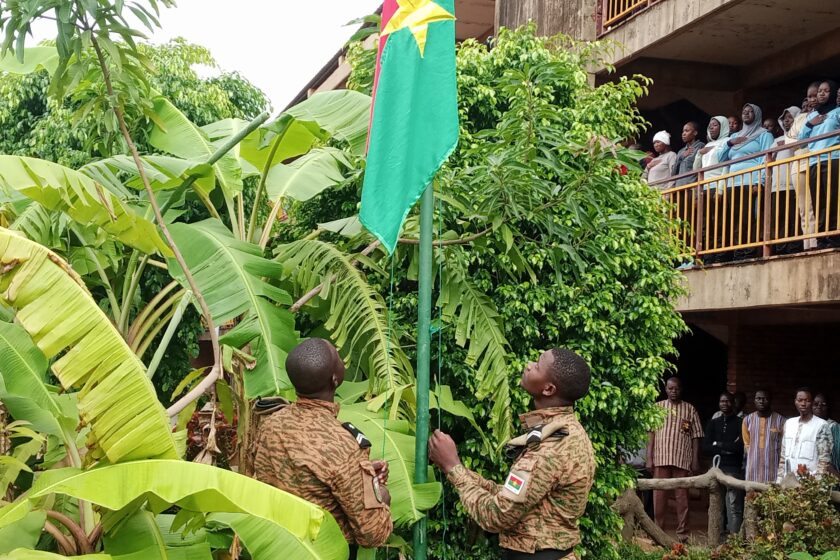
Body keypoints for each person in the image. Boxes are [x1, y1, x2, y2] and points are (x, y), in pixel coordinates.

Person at [428, 348, 595, 560]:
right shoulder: (565, 430)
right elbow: (514, 495)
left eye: (537, 365)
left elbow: (496, 516)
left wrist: (452, 467)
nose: (528, 366)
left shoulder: (549, 449)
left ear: (549, 389)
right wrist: (457, 467)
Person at [252, 338, 393, 551]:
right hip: (323, 551)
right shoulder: (343, 445)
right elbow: (373, 535)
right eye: (338, 357)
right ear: (334, 379)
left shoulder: (270, 423)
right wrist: (380, 492)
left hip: (278, 546)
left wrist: (358, 473)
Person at [647, 377, 703, 542]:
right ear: (665, 389)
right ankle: (658, 532)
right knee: (659, 497)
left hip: (682, 458)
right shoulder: (657, 407)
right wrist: (649, 458)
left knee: (682, 497)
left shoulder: (689, 409)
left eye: (676, 388)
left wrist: (695, 460)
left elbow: (696, 436)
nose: (673, 391)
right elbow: (650, 433)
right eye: (670, 388)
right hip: (661, 457)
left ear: (681, 389)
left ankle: (683, 534)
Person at [717, 104, 775, 260]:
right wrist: (730, 143)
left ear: (757, 114)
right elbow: (721, 159)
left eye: (750, 111)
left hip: (750, 180)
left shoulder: (764, 134)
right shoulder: (735, 136)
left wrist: (760, 181)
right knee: (735, 218)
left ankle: (749, 251)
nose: (746, 113)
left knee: (749, 217)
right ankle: (738, 251)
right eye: (744, 111)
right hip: (732, 183)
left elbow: (767, 159)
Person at [798, 80, 840, 248]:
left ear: (833, 93)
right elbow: (801, 142)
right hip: (814, 161)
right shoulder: (811, 116)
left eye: (826, 91)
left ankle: (834, 236)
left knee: (833, 198)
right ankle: (822, 237)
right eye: (820, 91)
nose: (821, 94)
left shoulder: (837, 112)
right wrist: (810, 124)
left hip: (833, 158)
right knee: (818, 201)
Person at [703, 392, 744, 541]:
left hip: (733, 469)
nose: (724, 404)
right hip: (716, 467)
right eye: (722, 401)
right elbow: (706, 448)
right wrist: (727, 447)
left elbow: (739, 448)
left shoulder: (740, 423)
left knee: (733, 506)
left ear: (733, 403)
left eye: (727, 401)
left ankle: (734, 540)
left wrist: (718, 444)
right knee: (716, 504)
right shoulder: (713, 423)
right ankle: (716, 539)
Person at [787, 84, 822, 250]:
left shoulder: (825, 113)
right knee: (803, 208)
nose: (812, 100)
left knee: (817, 204)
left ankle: (817, 242)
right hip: (798, 163)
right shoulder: (800, 118)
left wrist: (802, 140)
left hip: (816, 160)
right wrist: (804, 138)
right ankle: (808, 245)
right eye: (809, 96)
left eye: (815, 96)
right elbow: (790, 142)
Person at [693, 116, 731, 263]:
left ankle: (720, 253)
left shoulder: (726, 142)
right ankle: (707, 254)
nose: (711, 127)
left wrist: (720, 189)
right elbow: (696, 169)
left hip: (717, 187)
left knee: (718, 222)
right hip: (705, 187)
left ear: (723, 127)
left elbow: (725, 166)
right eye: (710, 125)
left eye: (715, 125)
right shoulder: (708, 145)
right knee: (705, 223)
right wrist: (699, 154)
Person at [776, 387, 832, 482]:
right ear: (795, 402)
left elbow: (824, 460)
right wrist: (779, 481)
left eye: (807, 400)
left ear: (812, 403)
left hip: (809, 483)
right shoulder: (789, 423)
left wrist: (817, 484)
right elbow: (783, 458)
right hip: (787, 482)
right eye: (800, 400)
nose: (803, 403)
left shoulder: (821, 425)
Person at [771, 106, 804, 253]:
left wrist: (788, 143)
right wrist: (776, 150)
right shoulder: (777, 140)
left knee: (793, 216)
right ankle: (780, 247)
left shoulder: (799, 137)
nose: (786, 121)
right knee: (779, 217)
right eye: (784, 118)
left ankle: (794, 247)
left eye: (790, 117)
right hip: (777, 185)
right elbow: (767, 160)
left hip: (793, 183)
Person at [742, 389, 786, 484]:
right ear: (754, 400)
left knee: (772, 493)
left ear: (770, 400)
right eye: (758, 398)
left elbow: (784, 446)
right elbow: (747, 445)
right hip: (753, 470)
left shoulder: (781, 421)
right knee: (751, 492)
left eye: (765, 398)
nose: (761, 401)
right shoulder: (747, 420)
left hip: (773, 470)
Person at [813, 393, 839, 475]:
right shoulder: (807, 426)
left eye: (823, 404)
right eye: (815, 404)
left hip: (829, 472)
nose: (819, 406)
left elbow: (836, 454)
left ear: (828, 407)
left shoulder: (833, 427)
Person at [672, 121, 705, 186]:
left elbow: (701, 168)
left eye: (687, 131)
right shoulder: (681, 151)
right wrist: (681, 157)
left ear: (695, 133)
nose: (683, 134)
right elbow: (673, 173)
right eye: (683, 131)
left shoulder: (700, 146)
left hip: (692, 187)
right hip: (679, 188)